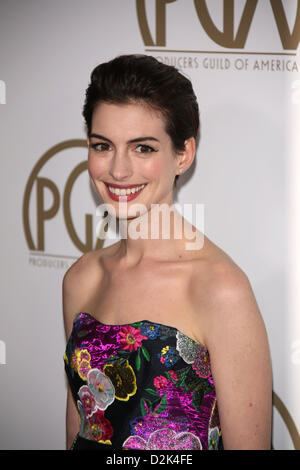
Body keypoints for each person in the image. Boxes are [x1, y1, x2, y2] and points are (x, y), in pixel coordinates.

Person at [62, 54, 272, 451]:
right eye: (103, 145)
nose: (118, 171)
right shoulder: (82, 278)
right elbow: (80, 427)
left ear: (183, 154)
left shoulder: (220, 289)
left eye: (142, 148)